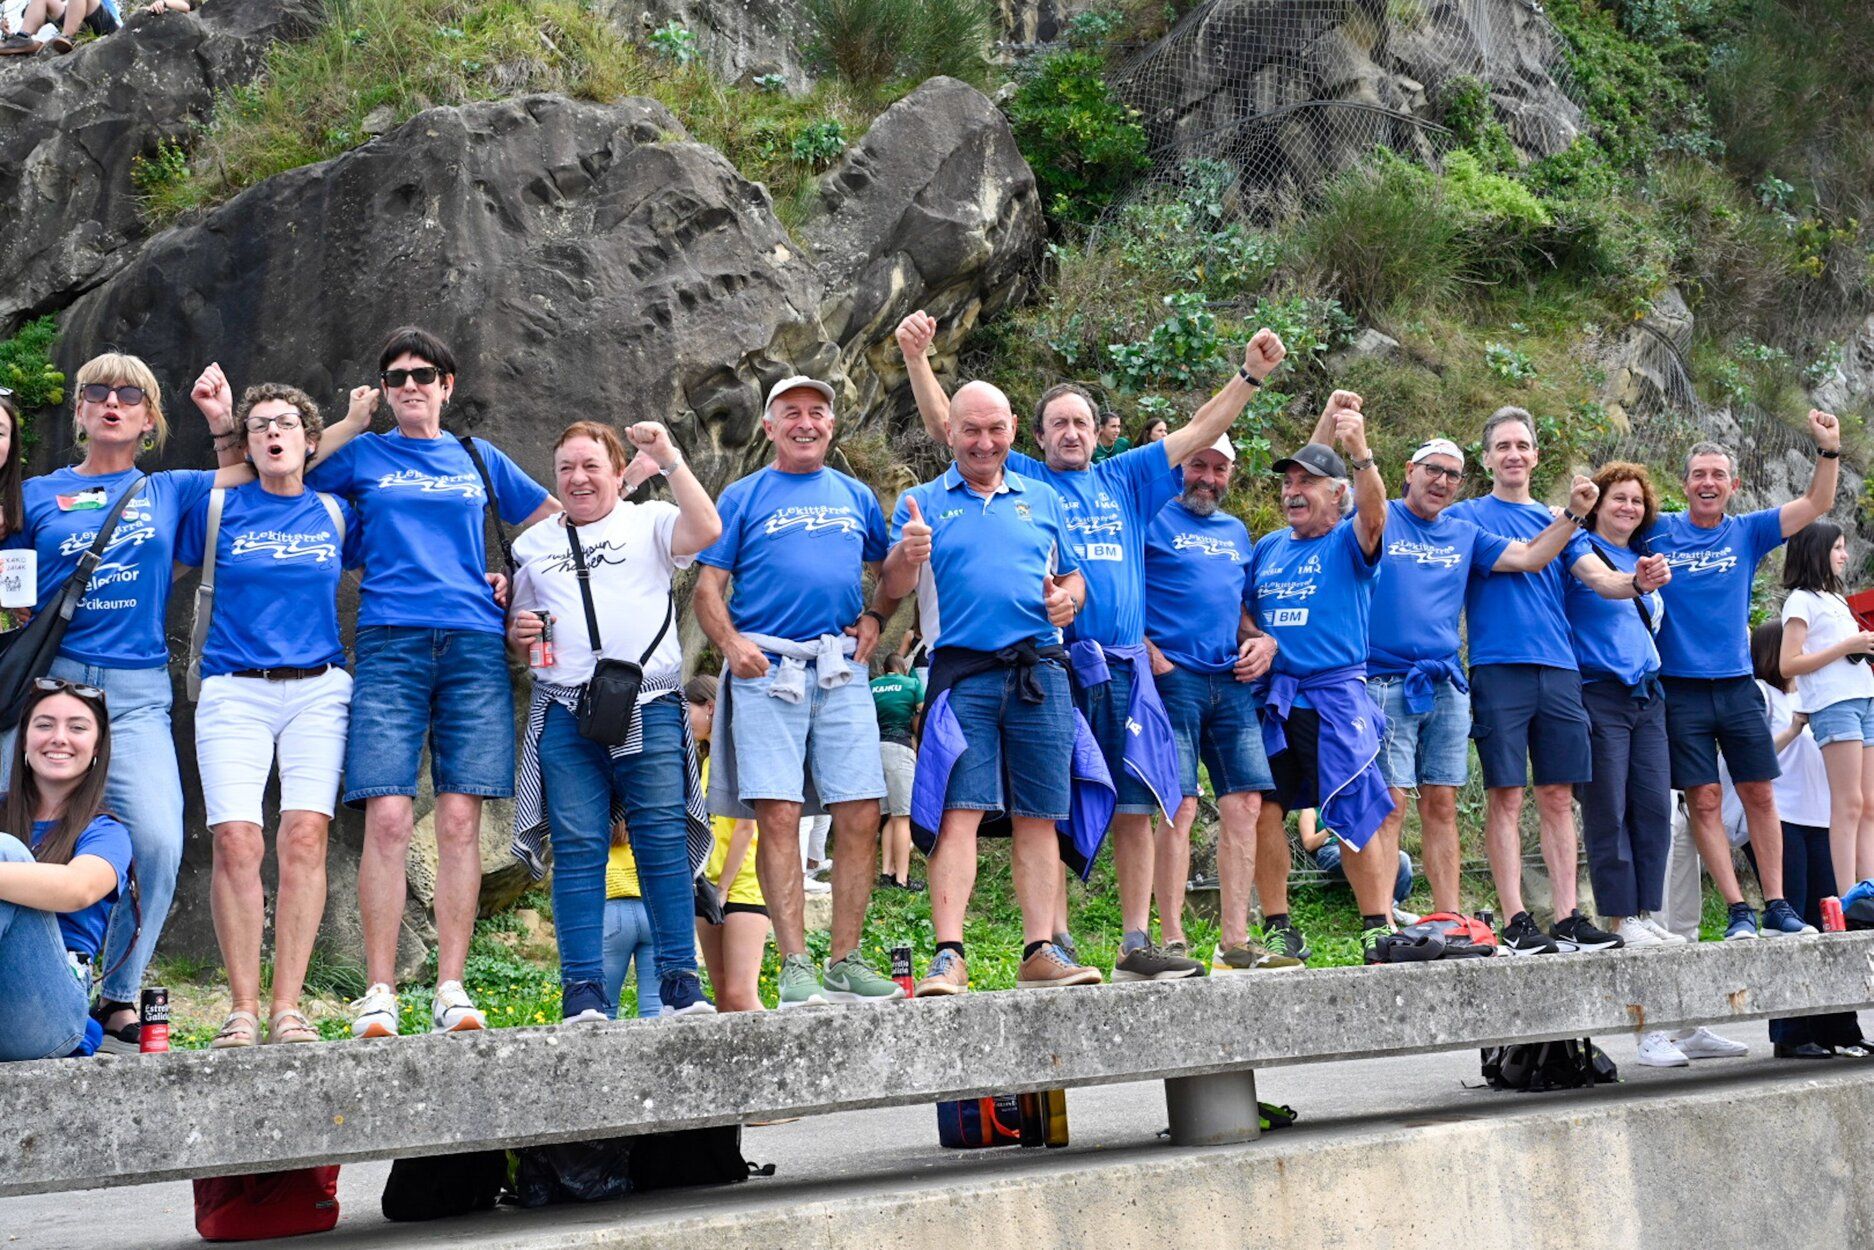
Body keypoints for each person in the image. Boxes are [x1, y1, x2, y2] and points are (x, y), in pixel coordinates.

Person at [901, 308, 1287, 982]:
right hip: (1047, 664)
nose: (1071, 432)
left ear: (1096, 432)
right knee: (1049, 800)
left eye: (1081, 421)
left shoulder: (1128, 477)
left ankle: (1135, 937)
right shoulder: (1025, 478)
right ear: (1037, 436)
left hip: (1122, 666)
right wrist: (920, 361)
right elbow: (954, 429)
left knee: (1135, 801)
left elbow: (1202, 431)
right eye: (1059, 424)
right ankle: (1054, 938)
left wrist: (1249, 376)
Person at [5, 353, 355, 1053]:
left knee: (161, 842)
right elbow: (10, 593)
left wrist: (244, 420)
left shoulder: (171, 490)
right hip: (49, 683)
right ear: (77, 412)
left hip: (134, 692)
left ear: (147, 419)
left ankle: (119, 991)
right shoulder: (36, 494)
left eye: (129, 396)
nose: (111, 404)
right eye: (96, 393)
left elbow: (270, 463)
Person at [309, 326, 559, 1037]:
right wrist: (352, 421)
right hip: (390, 640)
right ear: (384, 391)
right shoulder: (363, 453)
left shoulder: (478, 457)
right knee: (387, 819)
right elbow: (289, 471)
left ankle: (452, 985)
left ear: (449, 385)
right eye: (396, 378)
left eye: (424, 374)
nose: (410, 385)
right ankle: (380, 988)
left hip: (475, 642)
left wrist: (522, 583)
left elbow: (551, 523)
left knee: (458, 821)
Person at [694, 376, 903, 1010]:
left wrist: (877, 615)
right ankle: (793, 965)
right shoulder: (741, 495)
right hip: (767, 670)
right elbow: (708, 590)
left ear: (832, 425)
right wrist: (731, 647)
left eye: (817, 412)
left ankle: (845, 960)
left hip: (839, 668)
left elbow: (889, 572)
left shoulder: (857, 495)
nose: (805, 422)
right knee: (778, 814)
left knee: (862, 809)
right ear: (769, 426)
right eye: (791, 413)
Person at [1360, 434, 1611, 956]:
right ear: (1409, 469)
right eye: (1432, 470)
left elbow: (1531, 556)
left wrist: (1573, 514)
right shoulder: (1381, 515)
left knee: (1444, 803)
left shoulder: (1464, 531)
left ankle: (1450, 920)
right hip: (1384, 679)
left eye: (1452, 475)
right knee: (1390, 804)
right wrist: (1357, 444)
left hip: (1446, 682)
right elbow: (1352, 495)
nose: (1441, 481)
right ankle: (1380, 923)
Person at [882, 379, 1092, 994]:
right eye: (970, 429)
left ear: (1013, 433)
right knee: (959, 812)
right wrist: (907, 553)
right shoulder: (920, 502)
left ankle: (1040, 950)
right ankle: (949, 954)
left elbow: (1074, 582)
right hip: (962, 674)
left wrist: (1067, 603)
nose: (984, 441)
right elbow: (892, 586)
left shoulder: (1045, 500)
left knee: (1041, 816)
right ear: (949, 432)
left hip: (1041, 673)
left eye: (995, 429)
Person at [509, 420, 719, 1022]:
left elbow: (706, 529)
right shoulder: (533, 545)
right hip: (566, 706)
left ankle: (682, 983)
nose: (577, 478)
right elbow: (522, 630)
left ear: (615, 470)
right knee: (578, 847)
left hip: (646, 701)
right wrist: (520, 632)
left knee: (659, 838)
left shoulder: (648, 522)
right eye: (566, 469)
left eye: (590, 466)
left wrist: (670, 460)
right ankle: (582, 992)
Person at [177, 383, 363, 1047]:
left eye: (286, 424)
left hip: (318, 689)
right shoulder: (220, 507)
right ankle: (243, 1008)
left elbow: (402, 559)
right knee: (236, 841)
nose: (274, 434)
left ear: (310, 441)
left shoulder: (337, 513)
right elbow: (153, 561)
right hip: (234, 688)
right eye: (260, 427)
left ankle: (288, 1007)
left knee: (306, 836)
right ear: (247, 443)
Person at [1445, 408, 1667, 955]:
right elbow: (1523, 559)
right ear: (1487, 457)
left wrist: (1636, 582)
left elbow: (1599, 579)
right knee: (1505, 795)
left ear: (1536, 454)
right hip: (1499, 667)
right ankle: (1517, 919)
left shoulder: (1558, 520)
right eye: (1502, 446)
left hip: (1562, 669)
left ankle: (1569, 916)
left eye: (1523, 444)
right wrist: (1571, 514)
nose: (1514, 454)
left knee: (1558, 794)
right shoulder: (1468, 517)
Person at [1644, 415, 1841, 940]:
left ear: (1733, 485)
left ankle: (1776, 905)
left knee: (1759, 793)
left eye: (1718, 475)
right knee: (1703, 799)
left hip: (1736, 685)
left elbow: (1816, 505)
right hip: (1679, 689)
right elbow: (1607, 521)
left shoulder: (1747, 531)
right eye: (1698, 474)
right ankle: (1737, 911)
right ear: (1684, 484)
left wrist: (1828, 450)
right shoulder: (1658, 528)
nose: (1708, 483)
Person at [1246, 393, 1404, 964]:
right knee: (1265, 807)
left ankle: (1374, 927)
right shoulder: (1266, 548)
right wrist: (1254, 637)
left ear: (1336, 496)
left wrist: (1359, 451)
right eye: (1288, 481)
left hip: (1336, 696)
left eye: (1307, 482)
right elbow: (1242, 609)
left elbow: (1375, 513)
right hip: (1275, 699)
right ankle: (1278, 926)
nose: (1294, 490)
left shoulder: (1349, 538)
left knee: (1359, 805)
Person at [1140, 435, 1288, 971]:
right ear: (1180, 467)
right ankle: (1173, 939)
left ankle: (1236, 942)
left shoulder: (1235, 532)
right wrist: (1148, 651)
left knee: (1246, 804)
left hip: (1230, 680)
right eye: (1198, 464)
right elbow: (1122, 590)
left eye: (1218, 467)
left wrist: (1265, 642)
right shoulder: (1152, 517)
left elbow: (1240, 609)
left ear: (1231, 474)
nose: (1207, 476)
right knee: (1178, 804)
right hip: (1172, 678)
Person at [1565, 462, 1677, 951]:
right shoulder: (1579, 547)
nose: (1629, 507)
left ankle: (1644, 911)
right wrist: (1637, 583)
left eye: (1636, 500)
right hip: (1599, 690)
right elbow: (1605, 585)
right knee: (1608, 806)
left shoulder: (1645, 555)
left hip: (1648, 694)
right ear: (1598, 505)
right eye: (1618, 498)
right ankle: (1617, 916)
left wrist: (1644, 579)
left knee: (1654, 806)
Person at [1745, 623, 1863, 1060]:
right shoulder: (1760, 693)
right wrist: (1794, 728)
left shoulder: (1814, 695)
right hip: (1782, 818)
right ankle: (1790, 1032)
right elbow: (1751, 756)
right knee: (1791, 919)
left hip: (1822, 819)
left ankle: (1841, 1026)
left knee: (1833, 918)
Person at [0, 680, 131, 1061]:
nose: (59, 738)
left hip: (46, 1014)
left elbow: (78, 889)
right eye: (44, 725)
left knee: (6, 850)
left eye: (77, 727)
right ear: (23, 739)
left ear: (97, 748)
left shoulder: (107, 831)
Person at [1778, 520, 1874, 903]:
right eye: (1837, 548)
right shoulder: (1800, 600)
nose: (1844, 555)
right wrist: (1846, 645)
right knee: (1848, 802)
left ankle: (1868, 893)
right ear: (1817, 552)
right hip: (1833, 705)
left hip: (1864, 697)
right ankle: (1847, 897)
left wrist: (1855, 646)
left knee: (1869, 803)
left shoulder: (1833, 599)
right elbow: (1788, 664)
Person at [682, 675, 768, 1013]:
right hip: (709, 886)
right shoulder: (706, 765)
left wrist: (724, 887)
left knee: (740, 994)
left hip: (741, 886)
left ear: (710, 707)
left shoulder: (738, 755)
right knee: (721, 995)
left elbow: (746, 827)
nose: (683, 721)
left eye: (686, 710)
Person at [871, 655, 924, 891]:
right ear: (903, 668)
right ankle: (902, 879)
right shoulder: (911, 684)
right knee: (903, 816)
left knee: (890, 816)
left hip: (874, 751)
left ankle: (886, 873)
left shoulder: (872, 686)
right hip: (899, 747)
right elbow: (922, 714)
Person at [1297, 811, 1414, 915]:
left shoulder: (1353, 804)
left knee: (1402, 858)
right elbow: (1309, 844)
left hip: (1361, 845)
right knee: (1363, 859)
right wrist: (1331, 828)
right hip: (1331, 850)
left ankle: (1391, 906)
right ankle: (1380, 908)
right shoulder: (1311, 810)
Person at [0, 0, 116, 53]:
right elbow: (39, 45)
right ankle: (21, 38)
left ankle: (67, 36)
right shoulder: (51, 28)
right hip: (76, 33)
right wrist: (10, 35)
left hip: (109, 29)